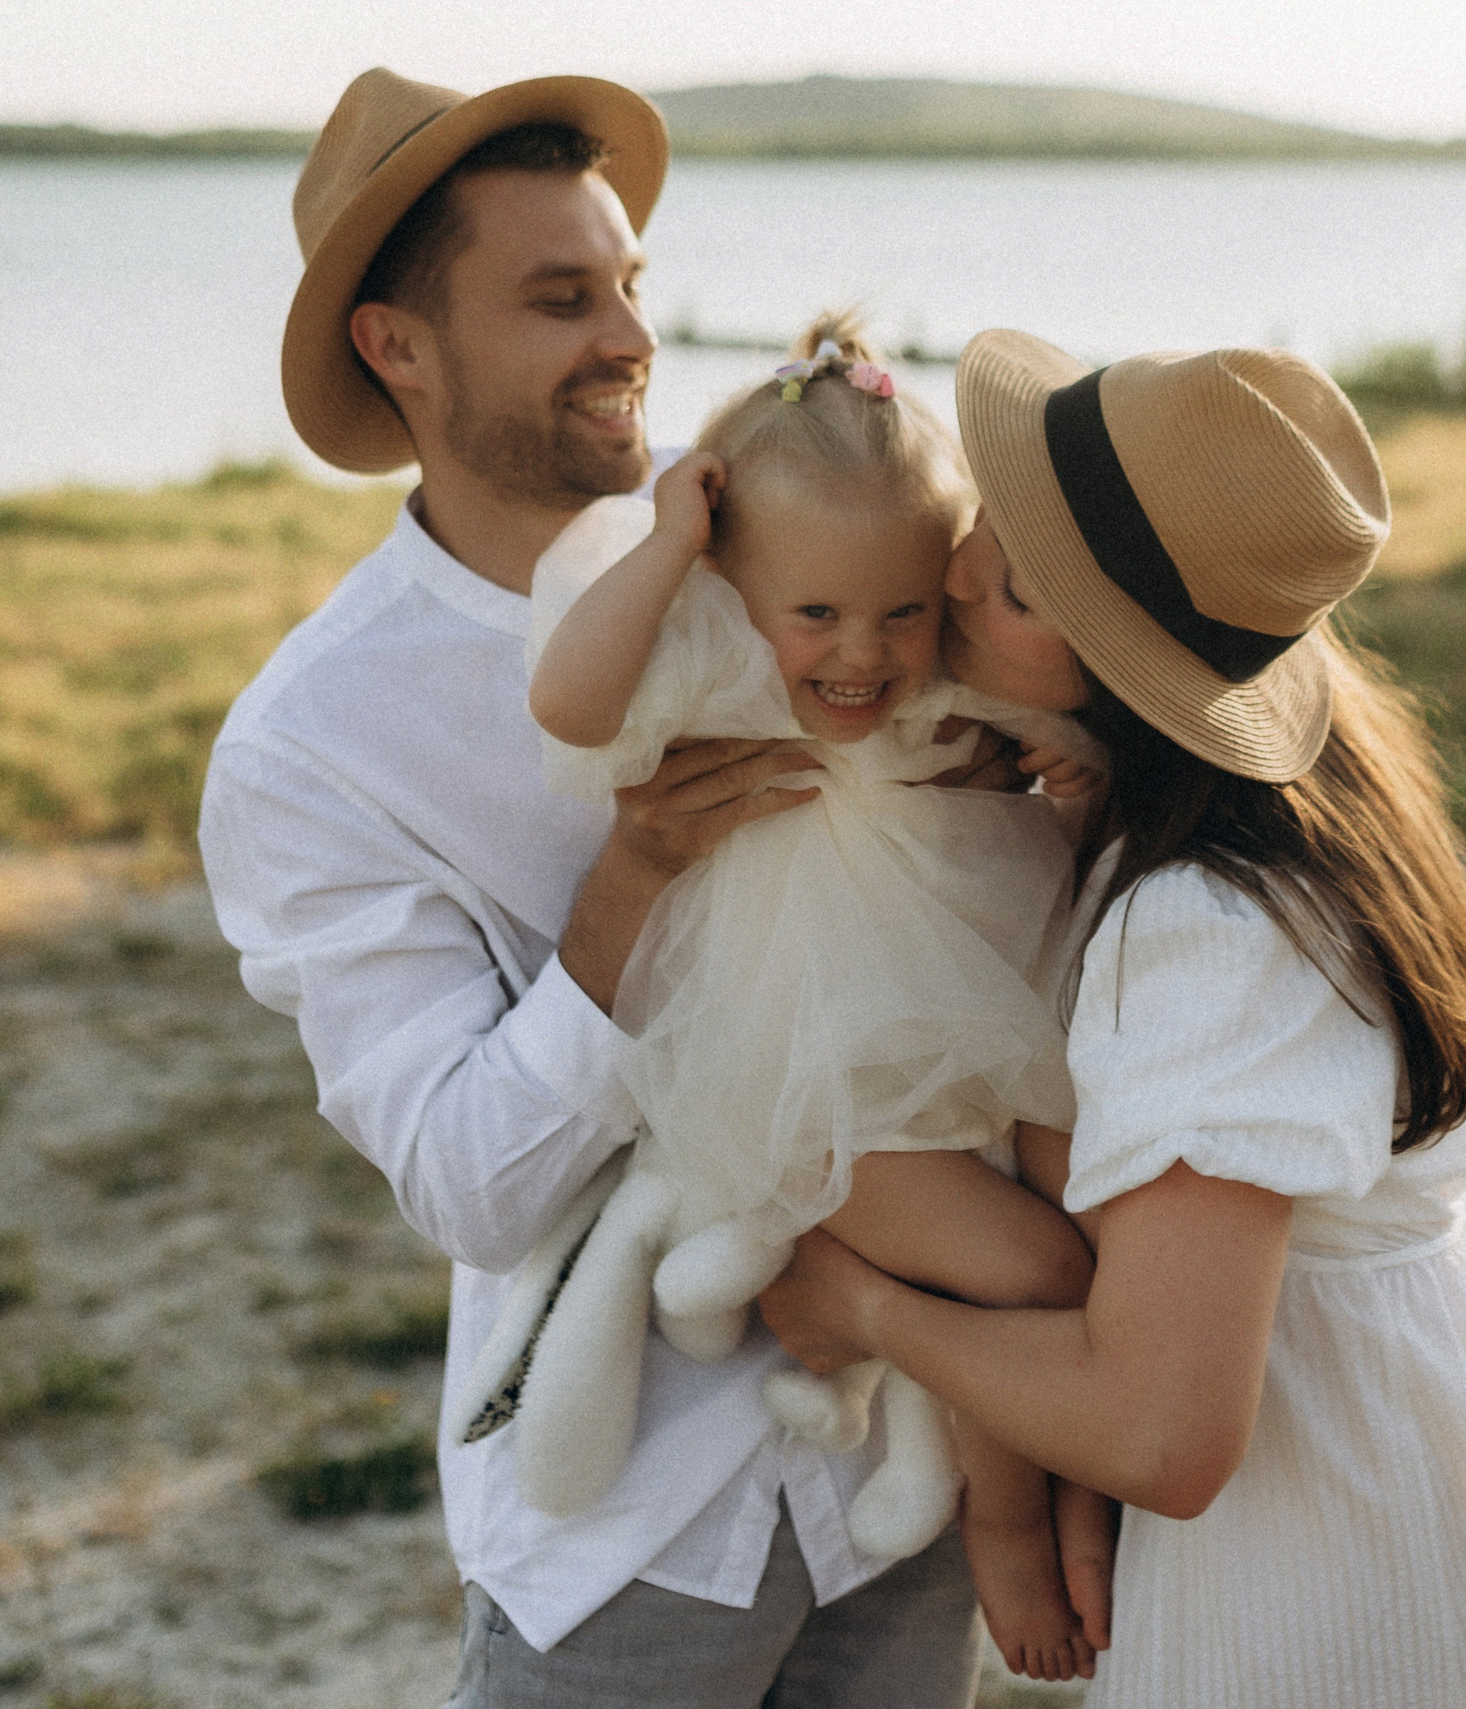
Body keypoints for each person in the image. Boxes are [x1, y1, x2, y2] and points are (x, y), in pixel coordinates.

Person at [759, 332, 1466, 1707]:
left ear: (1124, 674)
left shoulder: (1208, 930)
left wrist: (861, 1301)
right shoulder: (1291, 796)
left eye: (1017, 587)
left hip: (1322, 1530)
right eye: (993, 520)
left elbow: (1162, 1432)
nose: (957, 573)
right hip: (1430, 1421)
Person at [197, 68, 998, 1708]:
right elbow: (470, 1187)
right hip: (631, 1526)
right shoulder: (317, 743)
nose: (631, 337)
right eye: (561, 298)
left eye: (629, 284)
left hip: (895, 1481)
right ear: (398, 346)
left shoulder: (794, 528)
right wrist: (633, 882)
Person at [485, 308, 1112, 1680]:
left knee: (1081, 1242)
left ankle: (1038, 1489)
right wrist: (671, 541)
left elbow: (1059, 739)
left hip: (968, 1053)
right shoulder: (715, 656)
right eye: (816, 613)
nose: (859, 656)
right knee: (1044, 1272)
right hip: (796, 1089)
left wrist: (1074, 777)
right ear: (734, 582)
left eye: (901, 612)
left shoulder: (933, 687)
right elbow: (571, 706)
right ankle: (1007, 1527)